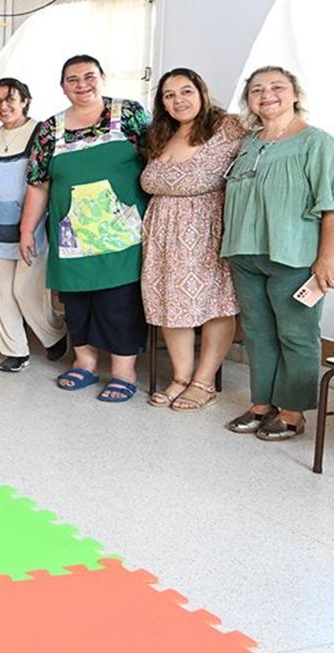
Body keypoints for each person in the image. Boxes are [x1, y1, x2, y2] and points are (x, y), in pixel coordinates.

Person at [21, 55, 152, 402]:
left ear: (103, 78)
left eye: (89, 76)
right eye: (73, 79)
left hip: (122, 232)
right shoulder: (49, 129)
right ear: (62, 87)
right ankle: (85, 362)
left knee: (119, 302)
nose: (82, 85)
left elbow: (157, 161)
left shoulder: (129, 113)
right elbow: (38, 184)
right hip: (72, 233)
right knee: (77, 301)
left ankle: (124, 371)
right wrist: (26, 230)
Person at [221, 66, 334, 440]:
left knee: (296, 334)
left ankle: (292, 411)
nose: (266, 94)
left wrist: (327, 257)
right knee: (256, 332)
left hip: (294, 254)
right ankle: (261, 404)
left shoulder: (316, 142)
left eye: (276, 87)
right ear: (249, 100)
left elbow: (330, 204)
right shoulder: (247, 143)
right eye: (256, 89)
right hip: (244, 252)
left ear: (295, 94)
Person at [141, 68, 243, 409]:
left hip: (206, 231)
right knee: (171, 304)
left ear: (202, 92)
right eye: (169, 95)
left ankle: (204, 382)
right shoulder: (160, 134)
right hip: (161, 235)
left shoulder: (227, 127)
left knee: (215, 303)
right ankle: (181, 377)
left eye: (186, 91)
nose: (178, 100)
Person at [0, 77, 68, 372]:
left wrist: (30, 227)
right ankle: (15, 350)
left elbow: (47, 181)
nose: (3, 106)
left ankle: (54, 334)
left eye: (10, 98)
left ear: (25, 101)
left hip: (32, 226)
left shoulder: (41, 132)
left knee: (25, 290)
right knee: (2, 292)